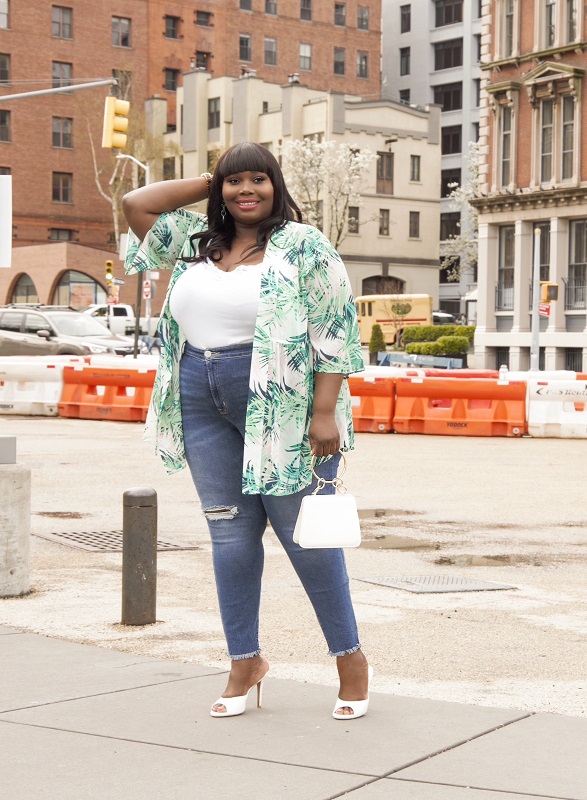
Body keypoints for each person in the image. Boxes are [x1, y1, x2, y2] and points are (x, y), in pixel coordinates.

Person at [122, 142, 371, 720]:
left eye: (258, 179)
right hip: (197, 394)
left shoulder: (303, 245)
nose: (245, 191)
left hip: (282, 401)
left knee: (304, 538)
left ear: (275, 186)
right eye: (234, 183)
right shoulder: (196, 244)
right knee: (230, 539)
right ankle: (245, 661)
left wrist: (325, 411)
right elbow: (138, 202)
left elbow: (336, 329)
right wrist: (213, 177)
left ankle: (350, 658)